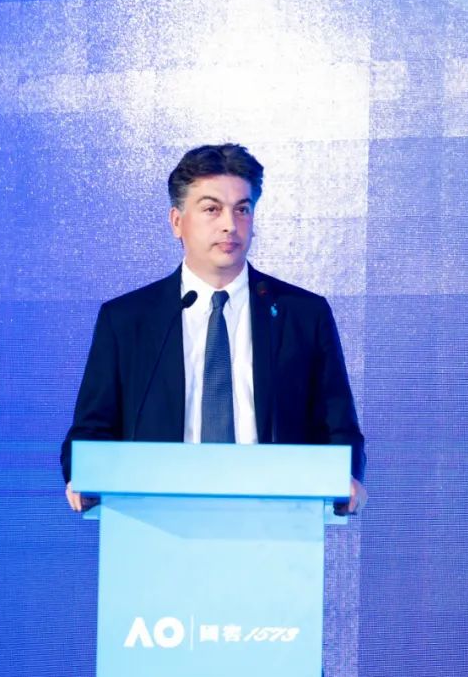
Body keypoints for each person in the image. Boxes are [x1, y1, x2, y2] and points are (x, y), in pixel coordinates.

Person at [61, 143, 367, 514]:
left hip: (277, 523)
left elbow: (339, 430)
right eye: (212, 209)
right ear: (177, 221)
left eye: (242, 209)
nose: (229, 225)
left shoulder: (301, 315)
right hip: (157, 522)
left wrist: (346, 478)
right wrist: (83, 475)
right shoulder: (127, 320)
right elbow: (90, 432)